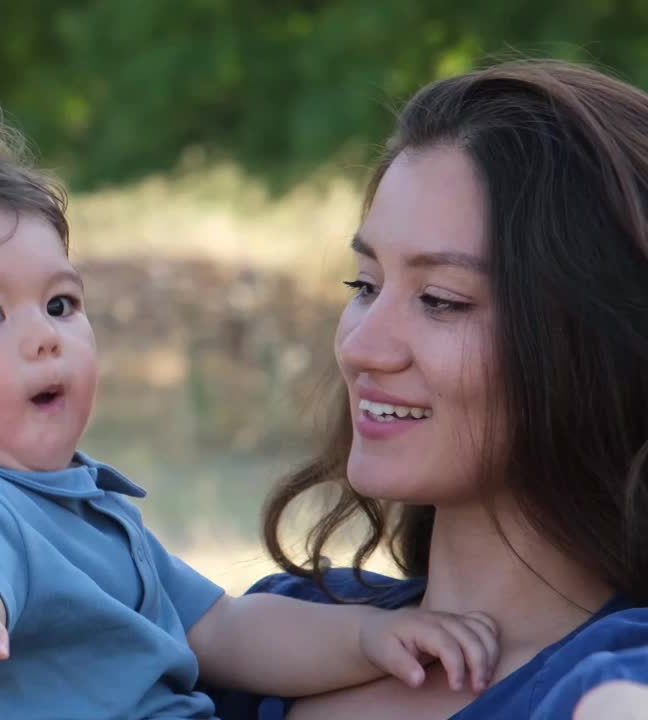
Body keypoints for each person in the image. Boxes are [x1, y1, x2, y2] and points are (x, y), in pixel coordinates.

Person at [0, 85, 501, 720]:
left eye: (59, 303)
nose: (44, 338)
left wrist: (369, 639)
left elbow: (224, 631)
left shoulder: (76, 506)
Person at [213, 59, 648, 720]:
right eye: (364, 285)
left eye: (440, 300)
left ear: (595, 343)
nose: (360, 347)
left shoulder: (618, 683)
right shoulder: (267, 634)